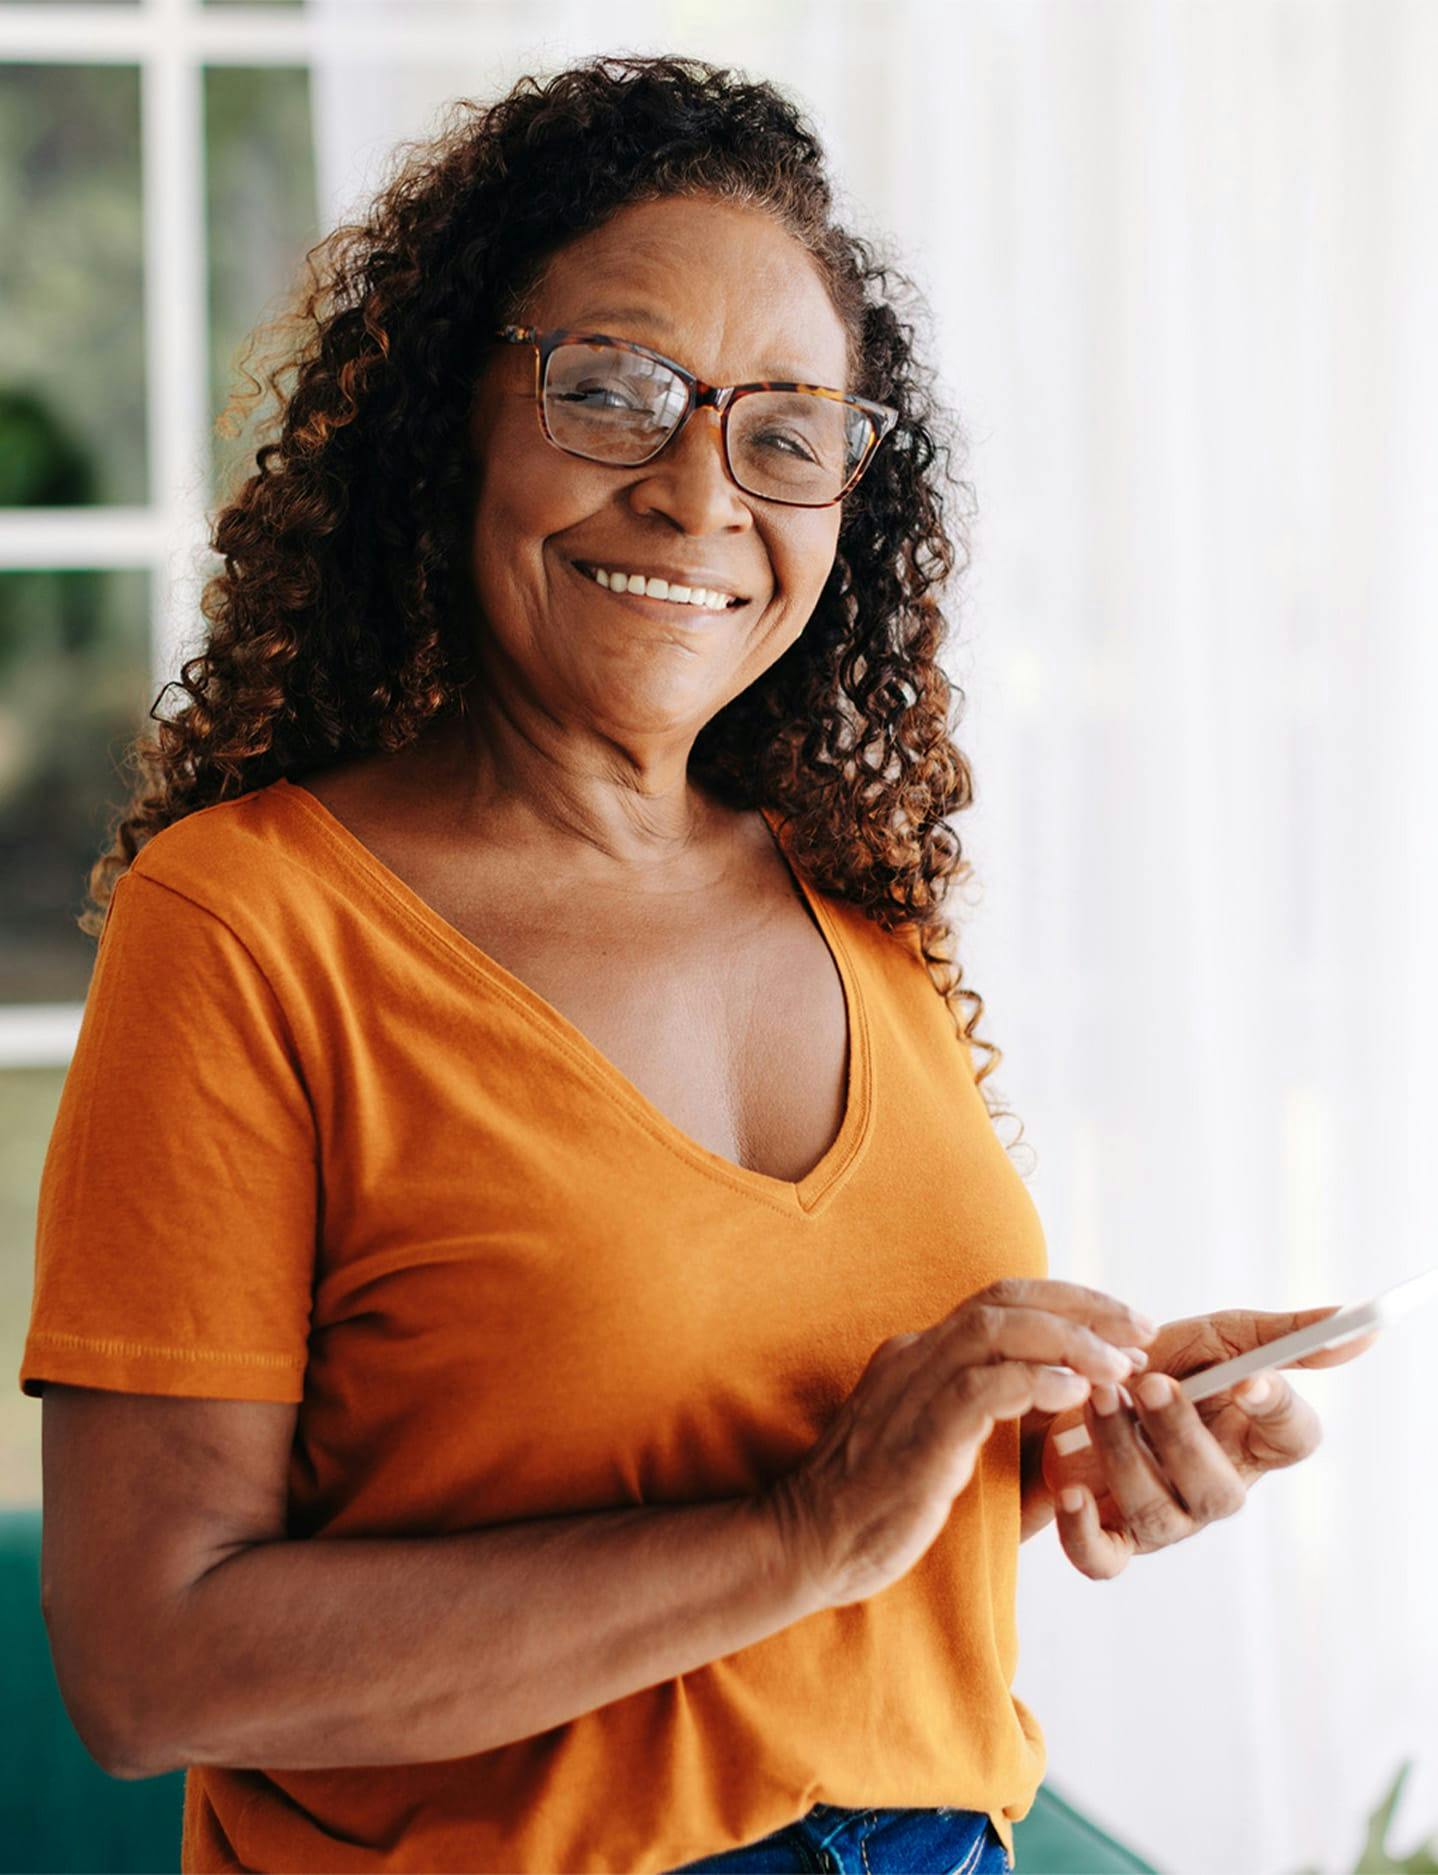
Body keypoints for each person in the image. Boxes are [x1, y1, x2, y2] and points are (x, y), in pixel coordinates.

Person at [19, 52, 1365, 1875]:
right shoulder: (250, 923)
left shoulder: (854, 897)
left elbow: (778, 1465)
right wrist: (805, 1531)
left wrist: (1049, 1439)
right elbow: (149, 1667)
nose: (695, 492)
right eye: (612, 392)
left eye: (785, 433)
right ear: (448, 418)